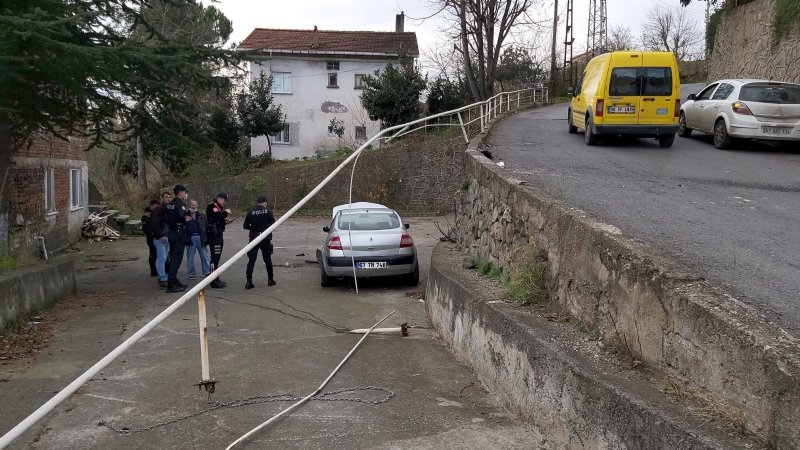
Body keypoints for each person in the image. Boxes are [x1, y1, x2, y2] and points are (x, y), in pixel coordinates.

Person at [243, 196, 276, 289]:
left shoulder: (250, 212)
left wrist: (254, 228)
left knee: (251, 261)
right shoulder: (268, 212)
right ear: (265, 203)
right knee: (267, 260)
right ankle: (270, 279)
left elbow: (245, 226)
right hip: (265, 238)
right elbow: (273, 224)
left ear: (257, 203)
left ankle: (249, 281)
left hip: (254, 238)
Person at [164, 184, 192, 293]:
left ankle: (174, 280)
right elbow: (181, 216)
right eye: (184, 192)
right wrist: (187, 217)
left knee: (173, 258)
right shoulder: (180, 204)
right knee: (176, 260)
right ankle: (171, 284)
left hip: (171, 232)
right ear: (180, 192)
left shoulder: (169, 204)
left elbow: (167, 217)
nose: (185, 194)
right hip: (178, 234)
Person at [206, 192, 232, 289]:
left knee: (217, 258)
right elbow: (218, 216)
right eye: (224, 200)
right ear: (219, 198)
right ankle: (213, 280)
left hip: (218, 234)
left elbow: (218, 220)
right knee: (214, 258)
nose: (224, 202)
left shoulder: (218, 208)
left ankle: (216, 278)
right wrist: (226, 212)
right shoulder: (212, 206)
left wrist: (225, 222)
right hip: (214, 236)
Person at [149, 191, 173, 288]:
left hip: (167, 236)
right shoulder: (158, 209)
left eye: (170, 197)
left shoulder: (169, 209)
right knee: (162, 258)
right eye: (166, 197)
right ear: (162, 198)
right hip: (160, 238)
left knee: (165, 257)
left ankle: (163, 276)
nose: (168, 199)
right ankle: (162, 278)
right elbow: (154, 223)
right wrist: (160, 235)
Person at [184, 199, 211, 281]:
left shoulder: (201, 216)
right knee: (190, 257)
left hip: (200, 237)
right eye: (192, 205)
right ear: (189, 206)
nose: (194, 207)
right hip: (190, 238)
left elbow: (206, 226)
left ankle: (206, 272)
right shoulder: (184, 216)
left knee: (204, 256)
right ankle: (191, 274)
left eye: (195, 205)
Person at [142, 199, 160, 277]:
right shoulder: (146, 215)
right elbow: (146, 228)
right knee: (153, 254)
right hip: (151, 238)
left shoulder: (156, 214)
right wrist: (152, 235)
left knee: (161, 254)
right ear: (152, 206)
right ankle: (153, 271)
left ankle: (161, 269)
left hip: (158, 236)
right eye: (156, 206)